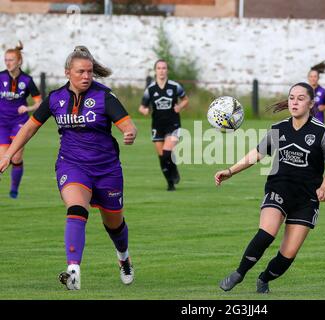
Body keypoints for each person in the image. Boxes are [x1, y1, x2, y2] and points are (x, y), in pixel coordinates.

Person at [0, 46, 138, 290]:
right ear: (67, 73)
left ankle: (124, 257)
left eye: (89, 72)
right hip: (72, 165)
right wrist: (9, 154)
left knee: (114, 224)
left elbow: (128, 125)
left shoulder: (105, 96)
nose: (86, 76)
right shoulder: (55, 98)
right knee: (76, 208)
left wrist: (129, 133)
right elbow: (29, 128)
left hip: (107, 170)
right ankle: (73, 269)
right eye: (80, 72)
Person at [216, 82, 325, 293]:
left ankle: (264, 279)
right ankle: (239, 273)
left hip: (307, 198)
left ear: (311, 103)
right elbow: (256, 154)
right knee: (267, 233)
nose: (295, 102)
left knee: (287, 255)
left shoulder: (322, 134)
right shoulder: (278, 129)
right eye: (292, 97)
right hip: (278, 188)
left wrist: (324, 187)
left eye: (301, 98)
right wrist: (230, 171)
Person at [138, 59, 189, 191]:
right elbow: (142, 107)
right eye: (159, 68)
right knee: (162, 156)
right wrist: (145, 110)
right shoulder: (150, 89)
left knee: (167, 153)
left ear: (167, 70)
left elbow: (185, 100)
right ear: (155, 71)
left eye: (164, 68)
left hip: (173, 124)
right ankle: (170, 183)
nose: (161, 70)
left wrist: (180, 106)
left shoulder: (174, 86)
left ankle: (174, 170)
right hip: (157, 125)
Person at [0, 41, 42, 198]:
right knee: (3, 158)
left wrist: (28, 108)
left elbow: (39, 102)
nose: (8, 62)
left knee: (16, 157)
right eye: (6, 59)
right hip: (2, 123)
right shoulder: (1, 77)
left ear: (19, 61)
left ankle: (14, 189)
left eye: (11, 59)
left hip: (20, 122)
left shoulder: (27, 80)